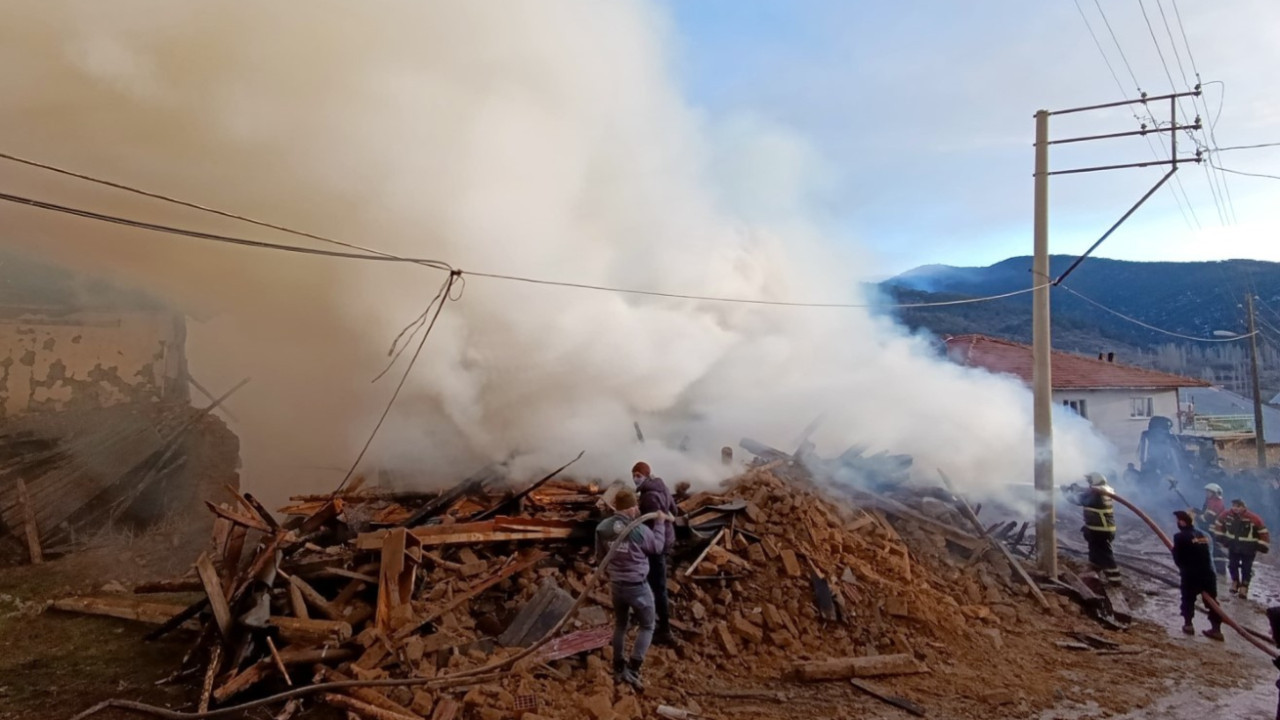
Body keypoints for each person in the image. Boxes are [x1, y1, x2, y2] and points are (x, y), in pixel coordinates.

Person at [595, 488, 663, 691]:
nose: (637, 510)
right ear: (631, 507)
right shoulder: (639, 531)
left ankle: (618, 667)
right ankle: (633, 668)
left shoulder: (602, 528)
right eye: (635, 506)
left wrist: (612, 573)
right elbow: (657, 547)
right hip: (638, 586)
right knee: (647, 626)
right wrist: (659, 523)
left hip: (617, 586)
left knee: (621, 625)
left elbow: (600, 557)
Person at [631, 461, 678, 646]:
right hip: (667, 540)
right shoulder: (661, 485)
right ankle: (653, 620)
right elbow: (674, 510)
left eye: (636, 476)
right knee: (656, 583)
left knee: (656, 586)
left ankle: (663, 629)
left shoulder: (649, 496)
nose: (635, 479)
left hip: (656, 545)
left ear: (641, 475)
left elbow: (649, 526)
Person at [1171, 510, 1224, 641]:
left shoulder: (1179, 537)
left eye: (1178, 521)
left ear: (1182, 522)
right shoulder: (1203, 535)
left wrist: (1179, 560)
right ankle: (1216, 630)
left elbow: (1178, 558)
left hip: (1191, 574)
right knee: (1212, 602)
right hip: (1208, 574)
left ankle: (1188, 625)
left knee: (1188, 599)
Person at [1213, 498, 1271, 599]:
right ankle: (1235, 582)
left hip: (1248, 548)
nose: (1235, 508)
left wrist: (1262, 545)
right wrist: (1220, 537)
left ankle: (1244, 587)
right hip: (1233, 546)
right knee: (1232, 565)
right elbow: (1218, 523)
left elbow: (1263, 532)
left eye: (1238, 506)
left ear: (1244, 507)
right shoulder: (1226, 515)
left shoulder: (1253, 518)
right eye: (1234, 506)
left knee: (1246, 568)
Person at [1071, 473, 1121, 585]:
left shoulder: (1097, 494)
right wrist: (1077, 488)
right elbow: (1087, 492)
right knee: (1095, 551)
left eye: (1089, 481)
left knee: (1104, 554)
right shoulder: (1103, 490)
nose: (1088, 483)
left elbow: (1078, 500)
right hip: (1100, 529)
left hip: (1100, 530)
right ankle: (1092, 573)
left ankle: (1115, 580)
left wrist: (1066, 492)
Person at [1198, 483, 1229, 577]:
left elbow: (1209, 517)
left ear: (1214, 493)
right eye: (1206, 491)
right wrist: (1197, 512)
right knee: (1208, 546)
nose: (1206, 493)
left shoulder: (1217, 503)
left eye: (1209, 492)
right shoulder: (1209, 501)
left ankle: (1220, 571)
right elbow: (1204, 513)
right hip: (1209, 529)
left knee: (1215, 549)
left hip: (1215, 529)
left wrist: (1199, 518)